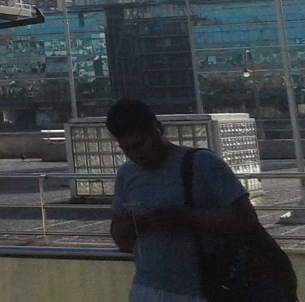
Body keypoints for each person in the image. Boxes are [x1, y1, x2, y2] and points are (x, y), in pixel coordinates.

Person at [106, 98, 282, 302]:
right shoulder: (126, 174)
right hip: (147, 288)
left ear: (158, 130)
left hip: (205, 288)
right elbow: (118, 235)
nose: (137, 155)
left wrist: (184, 218)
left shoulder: (204, 164)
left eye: (140, 144)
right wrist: (135, 225)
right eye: (127, 149)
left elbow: (246, 218)